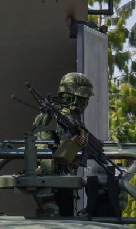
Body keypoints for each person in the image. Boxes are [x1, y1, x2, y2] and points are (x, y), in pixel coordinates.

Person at [32, 72, 93, 217]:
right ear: (74, 98)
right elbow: (50, 151)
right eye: (83, 98)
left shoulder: (68, 119)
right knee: (57, 224)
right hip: (51, 182)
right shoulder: (56, 117)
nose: (85, 103)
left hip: (60, 181)